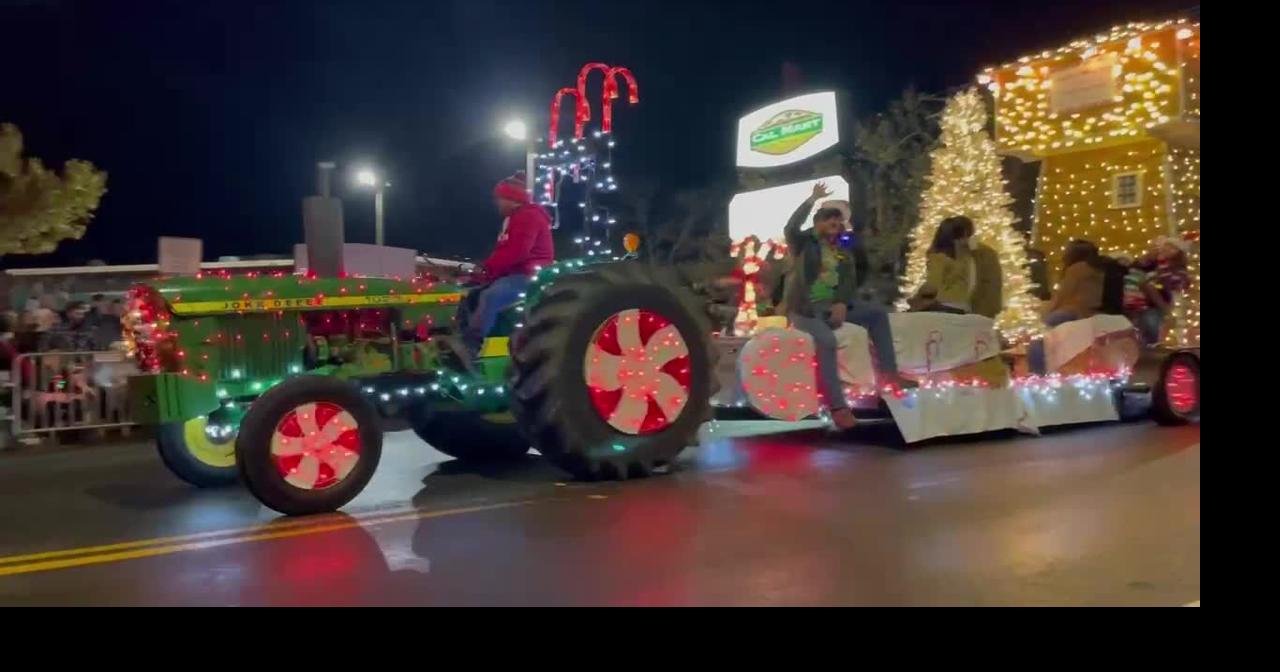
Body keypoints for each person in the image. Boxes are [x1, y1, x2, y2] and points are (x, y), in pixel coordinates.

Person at [460, 171, 554, 357]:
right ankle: (465, 338)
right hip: (517, 273)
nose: (497, 203)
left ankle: (470, 346)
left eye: (499, 199)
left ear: (511, 198)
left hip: (529, 275)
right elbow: (504, 252)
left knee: (491, 296)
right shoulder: (514, 219)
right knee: (472, 293)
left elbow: (517, 252)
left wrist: (488, 269)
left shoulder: (527, 216)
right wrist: (483, 273)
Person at [1028, 239, 1106, 374]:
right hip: (1091, 314)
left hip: (1074, 312)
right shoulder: (1099, 270)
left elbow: (1062, 296)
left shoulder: (1076, 270)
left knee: (1038, 335)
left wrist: (1042, 316)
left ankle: (1037, 372)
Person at [1124, 236, 1190, 346]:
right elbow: (1138, 270)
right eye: (1166, 246)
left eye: (1172, 248)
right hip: (1141, 303)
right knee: (1143, 326)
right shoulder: (1153, 263)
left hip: (1157, 304)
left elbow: (1171, 283)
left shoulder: (1177, 269)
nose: (1167, 250)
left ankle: (1150, 347)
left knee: (1151, 324)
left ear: (1179, 253)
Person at [909, 216, 976, 314]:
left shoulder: (939, 258)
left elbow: (932, 286)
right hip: (963, 306)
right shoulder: (966, 258)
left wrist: (917, 297)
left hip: (944, 305)